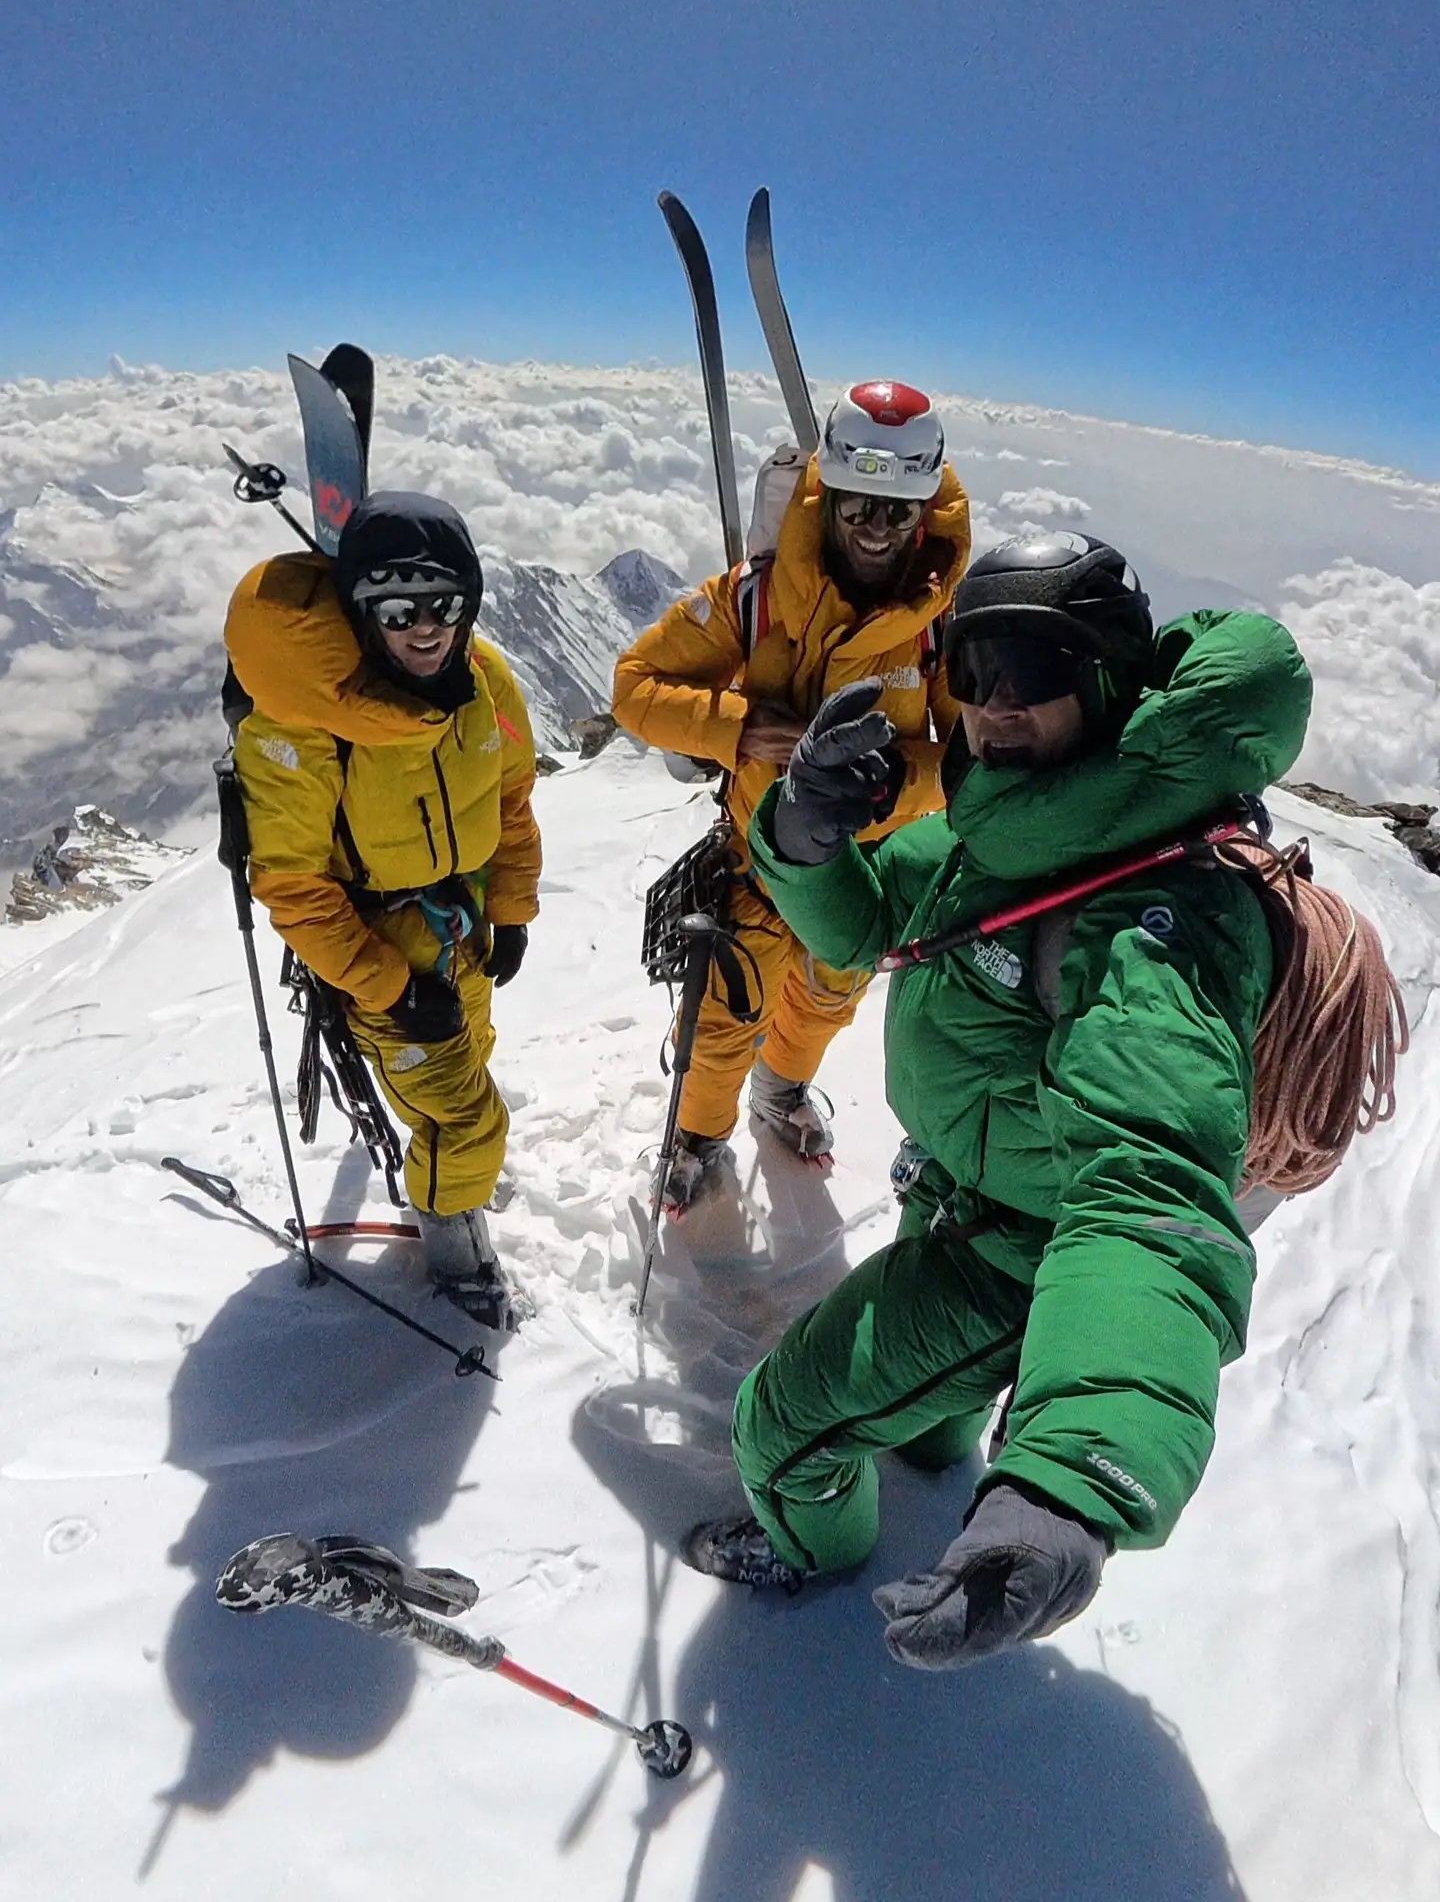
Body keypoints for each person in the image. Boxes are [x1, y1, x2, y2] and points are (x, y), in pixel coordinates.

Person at [681, 532, 1314, 1668]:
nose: (994, 708)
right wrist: (804, 831)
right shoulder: (1025, 832)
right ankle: (933, 1451)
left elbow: (1148, 1194)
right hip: (962, 1195)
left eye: (1034, 669)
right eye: (973, 671)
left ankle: (812, 1558)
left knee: (780, 1429)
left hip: (1020, 1256)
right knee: (925, 1420)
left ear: (1115, 681)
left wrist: (1074, 1478)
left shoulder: (1144, 917)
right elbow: (871, 918)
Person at [611, 381, 971, 1207]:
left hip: (867, 874)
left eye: (898, 511)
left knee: (822, 997)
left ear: (925, 511)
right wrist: (739, 728)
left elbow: (965, 760)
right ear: (832, 494)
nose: (877, 529)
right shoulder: (758, 595)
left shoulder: (944, 623)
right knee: (724, 1010)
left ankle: (777, 1095)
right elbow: (634, 686)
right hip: (758, 860)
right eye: (859, 507)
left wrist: (890, 791)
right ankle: (699, 1131)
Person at [227, 490, 540, 1329]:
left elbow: (512, 799)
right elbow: (292, 884)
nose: (425, 627)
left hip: (463, 929)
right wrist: (387, 986)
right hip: (379, 953)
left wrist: (511, 907)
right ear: (361, 616)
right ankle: (454, 1256)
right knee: (467, 1116)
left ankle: (453, 1179)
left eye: (445, 603)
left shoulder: (487, 682)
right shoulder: (303, 728)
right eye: (396, 609)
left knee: (469, 1061)